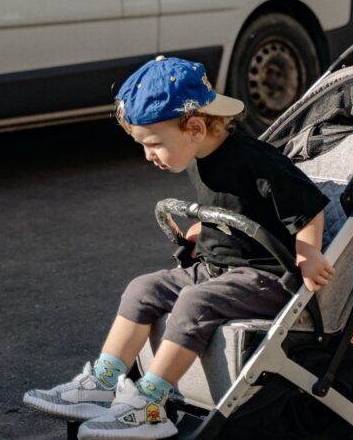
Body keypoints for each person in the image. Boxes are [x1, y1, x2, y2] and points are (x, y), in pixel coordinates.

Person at [22, 56, 334, 437]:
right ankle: (103, 384)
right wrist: (203, 227)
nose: (148, 155)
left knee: (193, 302)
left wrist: (308, 254)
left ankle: (150, 404)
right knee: (143, 288)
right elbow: (235, 205)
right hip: (217, 267)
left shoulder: (255, 160)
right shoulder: (198, 152)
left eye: (153, 144)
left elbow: (308, 207)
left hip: (264, 276)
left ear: (195, 127)